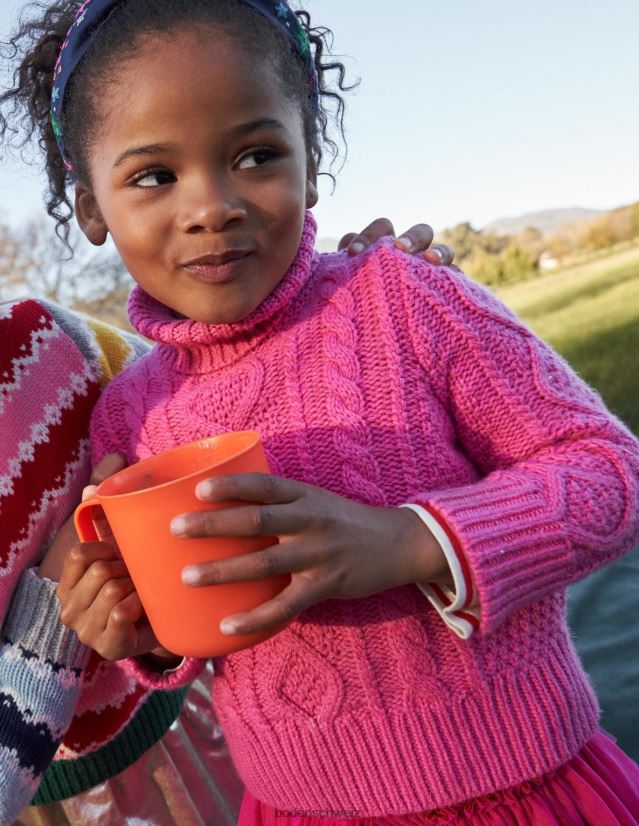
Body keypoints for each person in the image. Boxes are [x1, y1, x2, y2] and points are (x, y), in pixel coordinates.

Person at [5, 1, 639, 824]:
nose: (212, 205)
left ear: (312, 155)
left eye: (256, 154)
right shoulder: (128, 413)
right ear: (91, 207)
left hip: (526, 793)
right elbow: (192, 635)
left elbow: (610, 472)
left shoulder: (404, 299)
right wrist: (135, 629)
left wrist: (409, 541)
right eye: (153, 175)